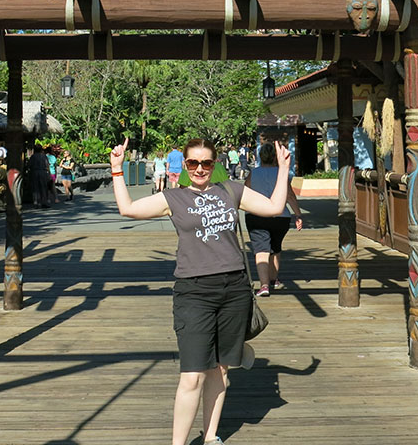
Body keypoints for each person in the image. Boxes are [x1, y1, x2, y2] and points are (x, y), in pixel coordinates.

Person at [110, 136, 291, 445]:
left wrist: (284, 169)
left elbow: (274, 207)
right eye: (193, 163)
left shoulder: (231, 190)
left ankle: (210, 437)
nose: (199, 169)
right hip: (194, 292)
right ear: (184, 165)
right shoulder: (173, 198)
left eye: (206, 163)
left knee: (220, 370)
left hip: (234, 289)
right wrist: (117, 169)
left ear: (214, 164)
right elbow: (127, 209)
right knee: (193, 374)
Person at [244, 142, 304, 296]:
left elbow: (245, 192)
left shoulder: (253, 173)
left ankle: (264, 285)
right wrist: (297, 214)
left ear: (260, 156)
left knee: (261, 249)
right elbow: (290, 196)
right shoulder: (281, 173)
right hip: (280, 217)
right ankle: (273, 279)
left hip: (256, 215)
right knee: (276, 248)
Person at [29, 144, 53, 208]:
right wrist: (49, 174)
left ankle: (36, 202)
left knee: (35, 188)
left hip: (35, 172)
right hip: (43, 172)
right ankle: (44, 202)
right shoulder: (44, 156)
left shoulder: (33, 156)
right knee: (43, 187)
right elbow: (47, 165)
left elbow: (30, 165)